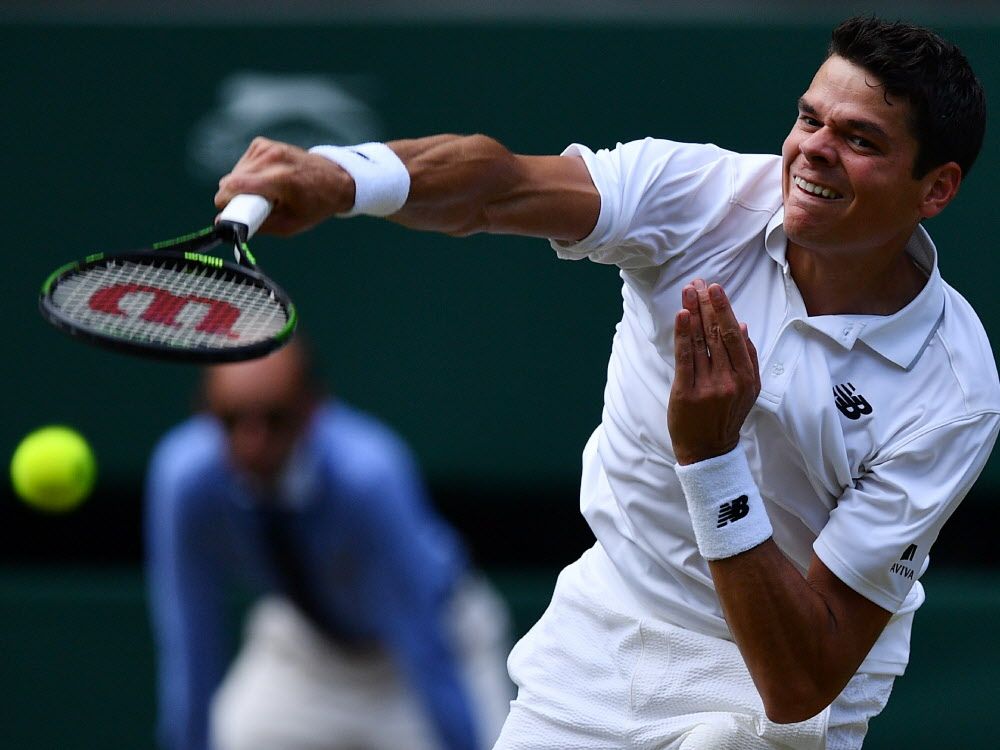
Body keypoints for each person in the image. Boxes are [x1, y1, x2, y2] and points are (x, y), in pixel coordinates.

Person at [213, 16, 999, 750]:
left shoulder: (952, 393)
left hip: (772, 690)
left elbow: (801, 679)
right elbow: (499, 185)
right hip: (602, 642)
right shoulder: (696, 195)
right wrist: (341, 177)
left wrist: (711, 460)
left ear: (936, 188)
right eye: (808, 118)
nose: (815, 149)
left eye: (859, 138)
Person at [144, 339, 515, 750]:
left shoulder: (368, 476)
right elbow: (190, 637)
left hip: (436, 643)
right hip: (308, 650)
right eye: (231, 421)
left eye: (274, 419)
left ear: (311, 409)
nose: (253, 443)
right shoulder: (184, 480)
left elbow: (422, 640)